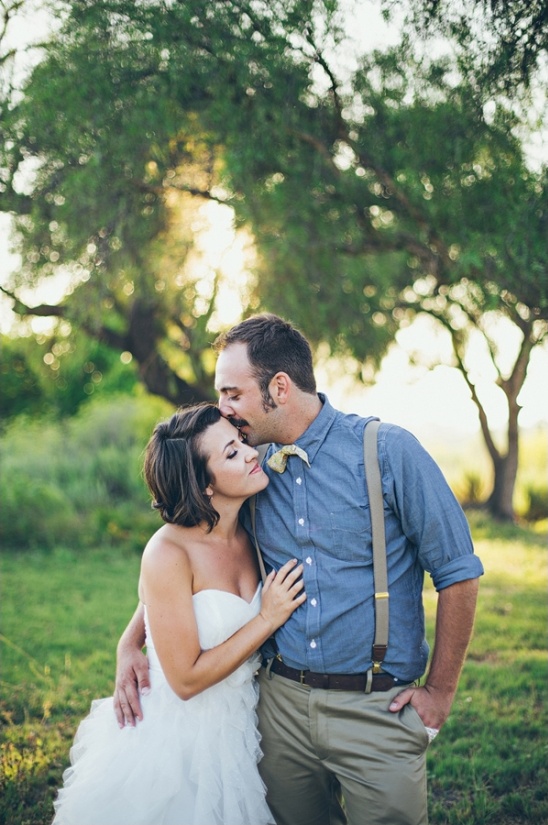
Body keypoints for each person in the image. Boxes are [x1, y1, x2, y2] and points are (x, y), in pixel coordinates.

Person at [114, 314, 484, 825]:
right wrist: (131, 639)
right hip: (278, 707)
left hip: (378, 705)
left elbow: (459, 573)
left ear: (279, 388)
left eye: (232, 393)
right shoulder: (248, 467)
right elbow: (192, 553)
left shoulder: (387, 451)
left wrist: (441, 692)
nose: (223, 409)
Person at [52, 403, 306, 825]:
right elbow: (186, 680)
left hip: (245, 725)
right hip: (179, 743)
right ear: (204, 485)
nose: (249, 452)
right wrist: (267, 617)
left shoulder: (254, 523)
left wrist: (130, 639)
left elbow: (157, 602)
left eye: (240, 441)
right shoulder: (167, 551)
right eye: (230, 453)